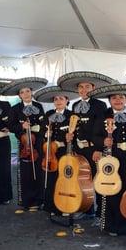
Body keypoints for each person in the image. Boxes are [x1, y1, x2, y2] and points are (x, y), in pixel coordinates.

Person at [57, 71, 115, 219]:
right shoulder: (75, 105)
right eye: (81, 87)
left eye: (87, 87)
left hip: (92, 148)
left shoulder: (100, 105)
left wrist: (98, 149)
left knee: (97, 179)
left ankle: (100, 213)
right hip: (78, 148)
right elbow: (74, 125)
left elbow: (101, 129)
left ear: (93, 88)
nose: (84, 90)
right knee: (81, 179)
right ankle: (86, 207)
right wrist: (70, 136)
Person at [90, 83, 126, 236]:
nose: (118, 100)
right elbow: (94, 135)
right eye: (114, 98)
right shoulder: (103, 115)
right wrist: (102, 143)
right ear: (109, 100)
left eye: (121, 97)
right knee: (111, 190)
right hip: (110, 158)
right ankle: (112, 225)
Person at [33, 85, 77, 217]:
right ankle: (50, 205)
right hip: (50, 153)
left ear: (67, 100)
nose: (58, 101)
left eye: (61, 99)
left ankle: (64, 205)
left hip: (64, 152)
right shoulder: (48, 115)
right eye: (56, 99)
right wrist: (47, 134)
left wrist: (67, 140)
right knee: (50, 179)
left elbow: (76, 135)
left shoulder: (72, 116)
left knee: (63, 178)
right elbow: (41, 131)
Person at [6, 77, 48, 212]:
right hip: (25, 144)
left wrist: (38, 128)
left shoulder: (39, 106)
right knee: (25, 173)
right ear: (19, 95)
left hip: (38, 143)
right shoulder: (15, 108)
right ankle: (27, 201)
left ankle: (39, 200)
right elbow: (11, 126)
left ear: (32, 92)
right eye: (23, 92)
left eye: (28, 91)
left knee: (39, 171)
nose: (26, 94)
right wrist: (21, 126)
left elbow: (43, 123)